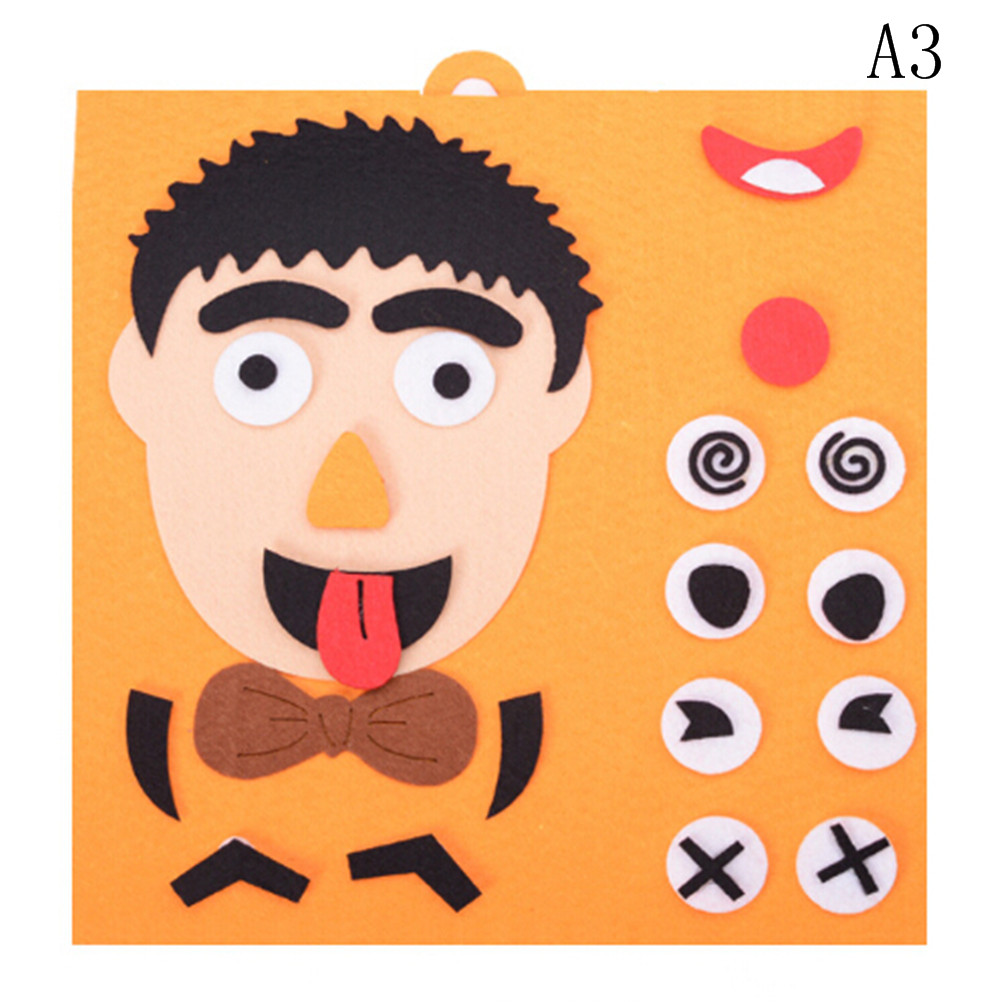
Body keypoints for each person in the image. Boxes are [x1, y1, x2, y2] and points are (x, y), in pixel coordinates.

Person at [109, 113, 601, 910]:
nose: (353, 496)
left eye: (450, 381)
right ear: (139, 381)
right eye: (259, 374)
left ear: (562, 398)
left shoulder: (573, 742)